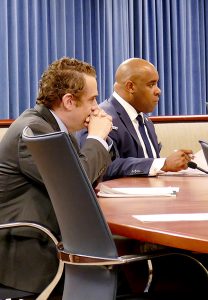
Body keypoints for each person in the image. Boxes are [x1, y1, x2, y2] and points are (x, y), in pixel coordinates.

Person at [0, 57, 112, 296]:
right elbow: (77, 183)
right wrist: (97, 139)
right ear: (69, 101)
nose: (97, 108)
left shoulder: (56, 128)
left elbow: (82, 180)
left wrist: (97, 142)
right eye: (92, 99)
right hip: (27, 252)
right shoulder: (33, 131)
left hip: (55, 239)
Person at [78, 58, 193, 180]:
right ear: (130, 87)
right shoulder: (101, 119)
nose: (158, 91)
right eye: (151, 84)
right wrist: (163, 163)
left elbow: (149, 165)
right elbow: (102, 167)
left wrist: (170, 162)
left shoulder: (145, 120)